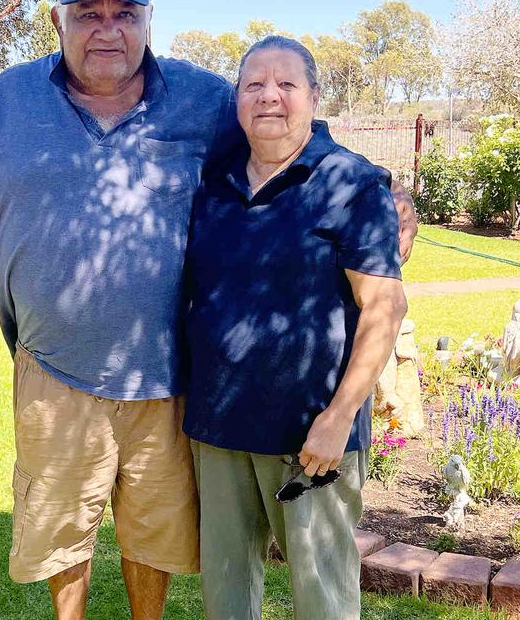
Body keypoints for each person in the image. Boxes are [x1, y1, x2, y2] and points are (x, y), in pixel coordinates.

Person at [0, 0, 418, 620]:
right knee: (59, 533)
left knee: (154, 533)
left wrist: (380, 189)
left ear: (147, 21)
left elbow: (281, 119)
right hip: (52, 365)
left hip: (167, 376)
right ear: (58, 23)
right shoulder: (6, 100)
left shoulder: (198, 98)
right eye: (89, 14)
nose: (108, 29)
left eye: (125, 13)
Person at [182, 35, 409, 620]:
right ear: (237, 100)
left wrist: (339, 418)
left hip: (311, 438)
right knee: (226, 600)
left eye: (286, 84)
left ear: (313, 95)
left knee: (323, 601)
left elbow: (385, 308)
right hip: (220, 429)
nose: (270, 97)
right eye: (254, 84)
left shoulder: (351, 184)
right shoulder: (211, 184)